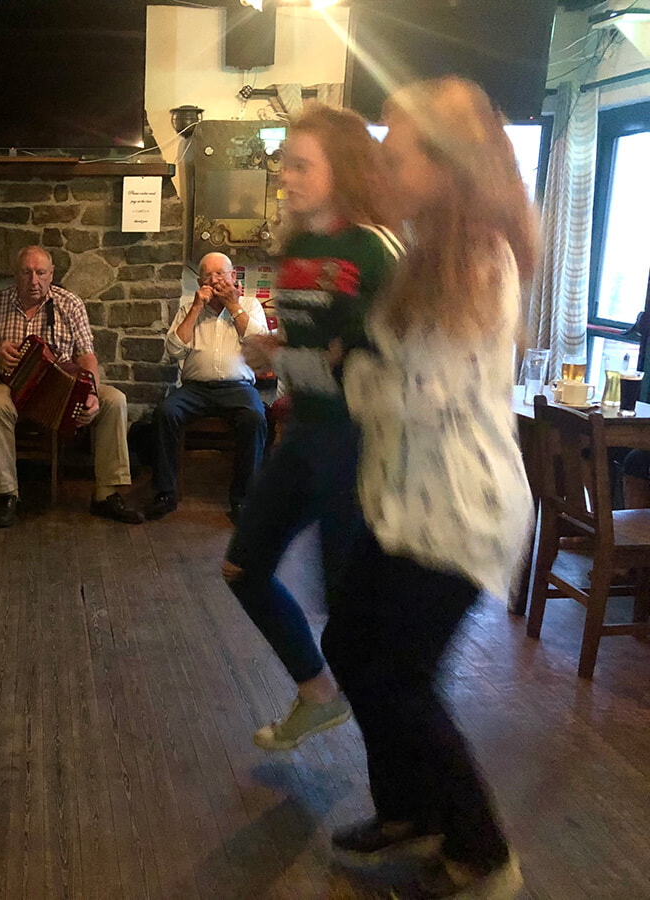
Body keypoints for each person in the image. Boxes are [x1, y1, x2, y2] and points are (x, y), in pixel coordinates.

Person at [329, 77, 533, 899]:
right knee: (352, 645)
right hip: (410, 502)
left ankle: (484, 856)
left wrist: (352, 372)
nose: (385, 163)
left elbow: (421, 396)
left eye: (399, 152)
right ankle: (410, 809)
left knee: (401, 677)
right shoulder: (427, 254)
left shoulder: (477, 258)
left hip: (459, 509)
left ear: (446, 166)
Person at [220, 104, 401, 750]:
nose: (286, 177)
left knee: (350, 617)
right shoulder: (296, 247)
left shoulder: (375, 248)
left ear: (342, 169)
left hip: (358, 443)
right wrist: (278, 350)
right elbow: (314, 347)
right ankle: (319, 694)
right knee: (242, 568)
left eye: (301, 166)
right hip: (305, 434)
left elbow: (392, 350)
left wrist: (306, 357)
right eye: (285, 164)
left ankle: (404, 769)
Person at [0, 245, 143, 528]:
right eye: (26, 273)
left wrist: (91, 392)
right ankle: (6, 494)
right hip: (10, 388)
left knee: (114, 400)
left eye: (40, 273)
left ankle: (106, 494)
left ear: (51, 274)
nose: (34, 280)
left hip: (61, 390)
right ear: (15, 274)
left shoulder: (69, 304)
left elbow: (86, 355)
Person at [145, 251, 269, 521]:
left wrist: (233, 306)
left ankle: (244, 500)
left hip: (238, 388)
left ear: (233, 276)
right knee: (165, 413)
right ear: (200, 281)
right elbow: (174, 350)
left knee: (255, 418)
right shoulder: (189, 308)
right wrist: (195, 309)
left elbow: (261, 346)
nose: (214, 280)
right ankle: (165, 493)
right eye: (208, 276)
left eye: (220, 274)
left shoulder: (249, 305)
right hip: (195, 389)